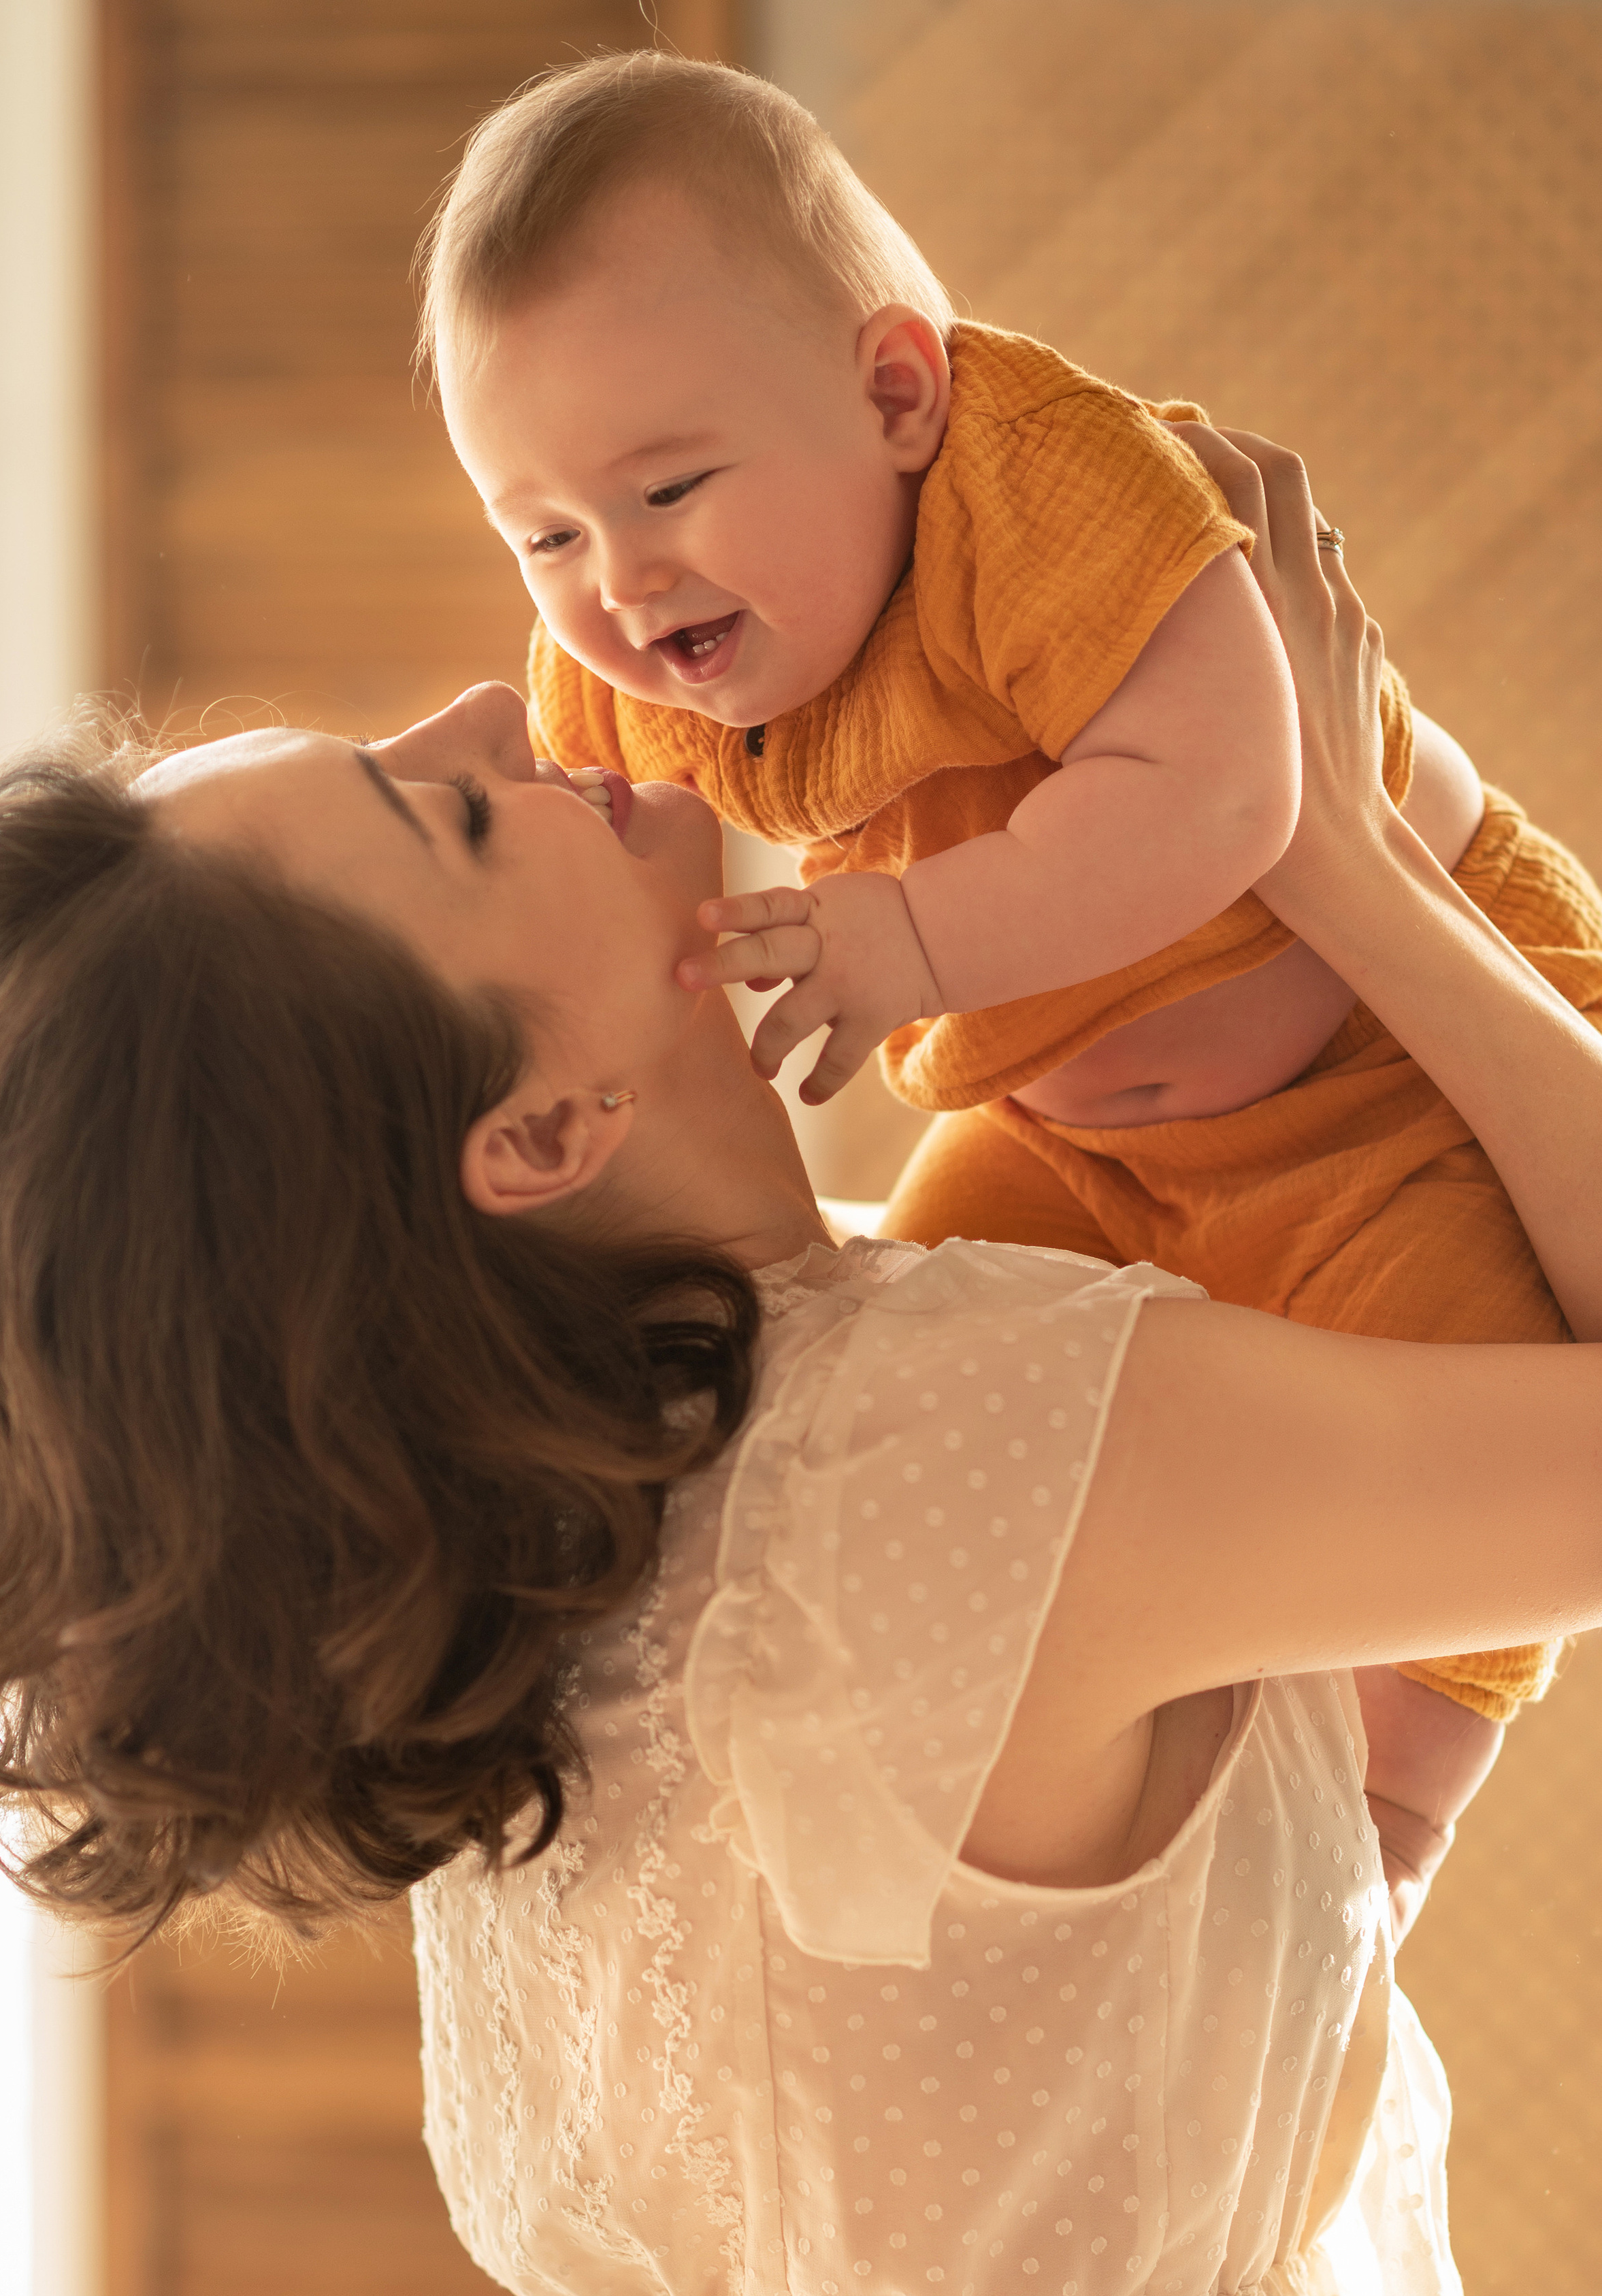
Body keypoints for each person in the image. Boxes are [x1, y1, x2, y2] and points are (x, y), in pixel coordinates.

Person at [0, 436, 1602, 2296]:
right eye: (448, 813)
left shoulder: (565, 1525)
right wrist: (1337, 847)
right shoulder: (1004, 1435)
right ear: (540, 1129)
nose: (490, 707)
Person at [426, 48, 1602, 1797]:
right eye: (540, 536)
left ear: (896, 394)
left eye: (666, 491)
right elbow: (595, 851)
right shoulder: (627, 663)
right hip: (1068, 1135)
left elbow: (1229, 797)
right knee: (893, 1367)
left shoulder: (1045, 494)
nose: (617, 581)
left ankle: (1390, 1819)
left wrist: (906, 939)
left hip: (1381, 1097)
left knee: (1449, 1492)